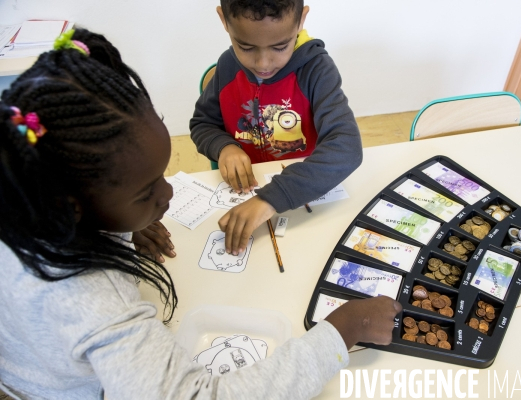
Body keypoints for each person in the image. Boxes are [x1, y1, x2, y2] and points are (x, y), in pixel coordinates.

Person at [0, 28, 401, 399]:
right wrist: (341, 332)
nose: (169, 192)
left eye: (160, 176)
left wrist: (118, 227)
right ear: (73, 209)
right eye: (145, 192)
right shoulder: (91, 303)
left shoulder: (26, 193)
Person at [190, 0, 363, 256]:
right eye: (245, 47)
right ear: (224, 20)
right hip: (245, 194)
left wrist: (270, 198)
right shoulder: (227, 66)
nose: (263, 63)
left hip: (301, 196)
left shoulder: (316, 70)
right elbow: (202, 123)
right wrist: (224, 146)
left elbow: (347, 148)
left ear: (301, 20)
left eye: (280, 46)